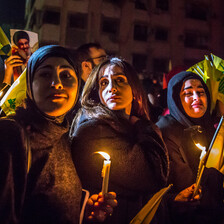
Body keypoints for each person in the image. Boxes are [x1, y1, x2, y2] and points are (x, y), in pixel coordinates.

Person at [0, 45, 116, 224]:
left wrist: (82, 212)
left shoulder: (63, 135)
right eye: (45, 74)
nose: (57, 83)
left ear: (78, 85)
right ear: (30, 83)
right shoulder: (10, 134)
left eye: (66, 75)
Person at [70, 57, 169, 223]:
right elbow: (155, 175)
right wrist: (147, 128)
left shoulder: (128, 125)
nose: (112, 88)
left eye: (120, 80)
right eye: (103, 83)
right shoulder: (93, 131)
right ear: (97, 93)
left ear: (134, 88)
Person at [156, 71, 224, 223]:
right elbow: (186, 186)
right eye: (188, 93)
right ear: (175, 99)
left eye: (201, 92)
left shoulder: (209, 128)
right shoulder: (166, 132)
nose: (197, 98)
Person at [67, 42, 107, 123]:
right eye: (102, 60)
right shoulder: (74, 97)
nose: (107, 64)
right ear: (86, 66)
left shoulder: (99, 92)